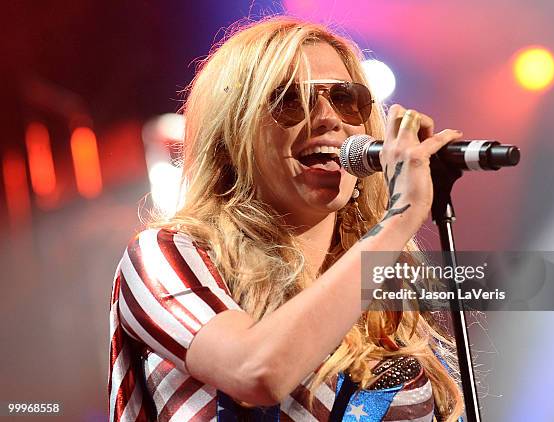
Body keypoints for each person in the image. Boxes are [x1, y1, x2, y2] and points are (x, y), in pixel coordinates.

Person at [109, 15, 465, 422]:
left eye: (347, 99)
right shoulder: (165, 257)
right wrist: (399, 220)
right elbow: (256, 372)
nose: (330, 118)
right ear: (232, 136)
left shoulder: (388, 300)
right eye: (290, 100)